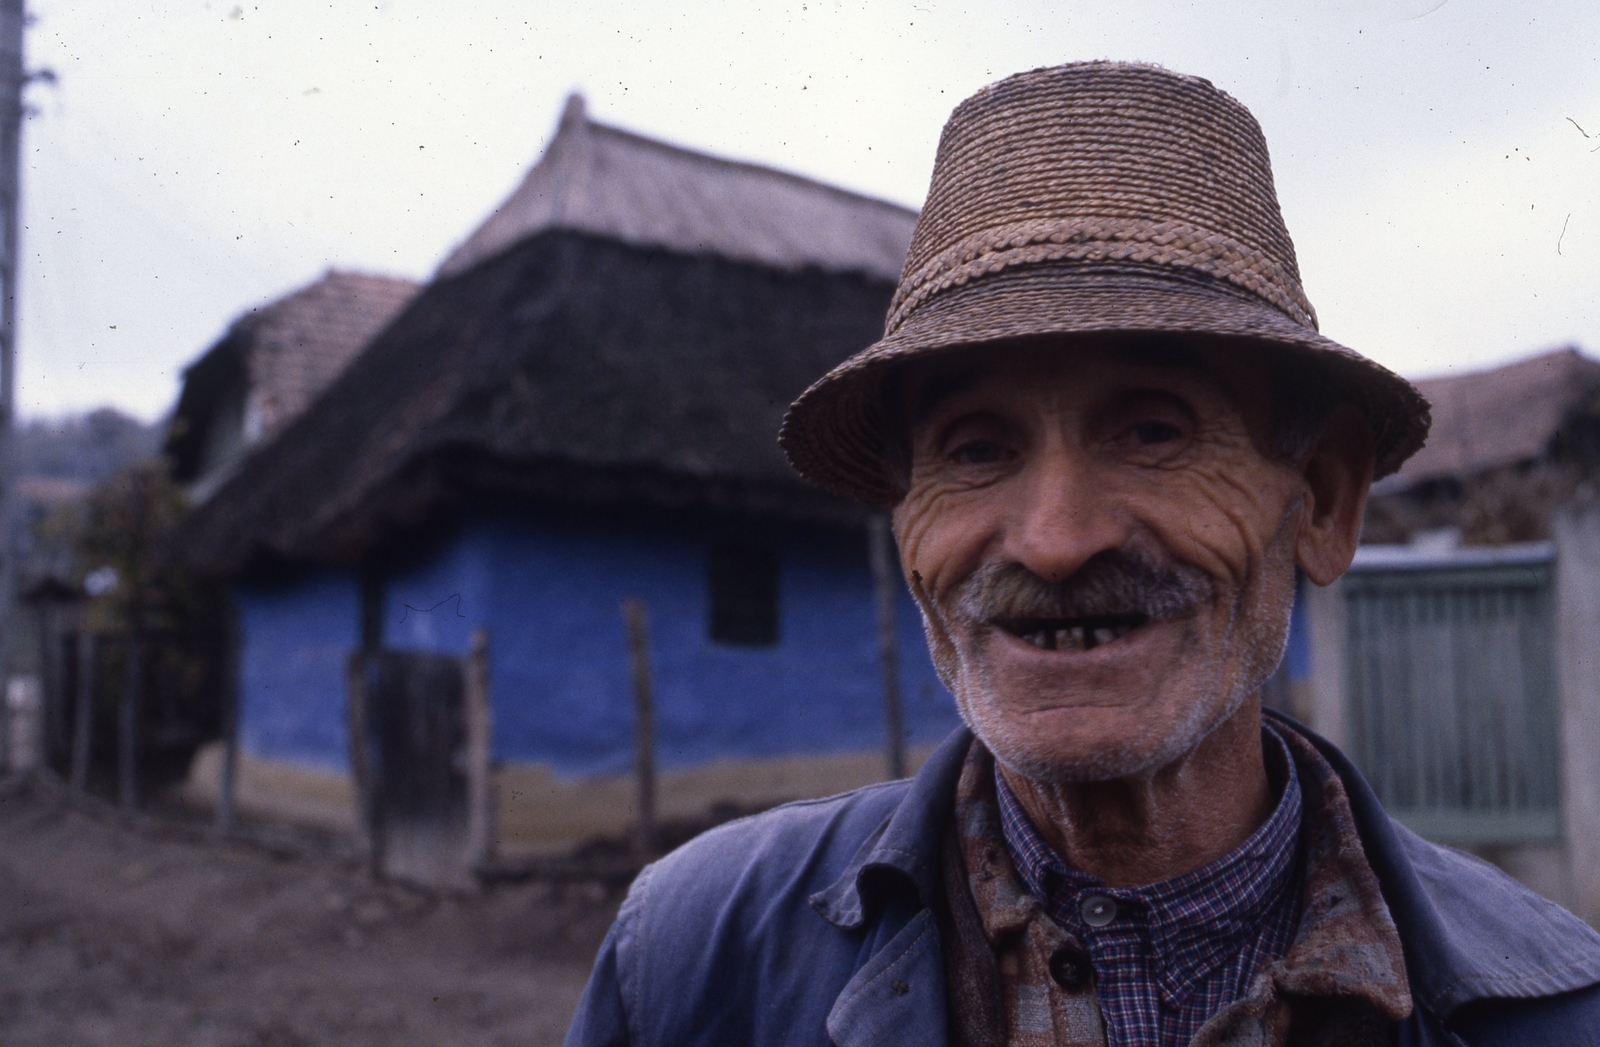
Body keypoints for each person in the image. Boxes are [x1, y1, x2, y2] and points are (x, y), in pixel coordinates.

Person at [564, 62, 1600, 1047]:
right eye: (976, 450)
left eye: (1152, 431)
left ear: (1321, 501)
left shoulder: (1559, 1014)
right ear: (906, 524)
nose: (1055, 542)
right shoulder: (692, 964)